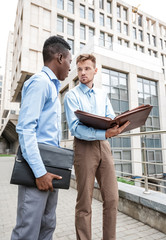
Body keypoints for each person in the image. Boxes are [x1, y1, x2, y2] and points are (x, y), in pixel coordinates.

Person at [11, 36, 72, 240]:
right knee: (27, 230)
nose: (70, 68)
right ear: (60, 57)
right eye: (70, 62)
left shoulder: (53, 88)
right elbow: (26, 130)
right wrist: (40, 173)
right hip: (37, 170)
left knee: (47, 225)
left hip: (50, 169)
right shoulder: (40, 83)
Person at [64, 54, 130, 240]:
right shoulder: (72, 96)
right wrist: (104, 132)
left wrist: (118, 126)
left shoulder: (102, 94)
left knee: (112, 198)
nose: (83, 73)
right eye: (80, 69)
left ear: (95, 70)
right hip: (84, 148)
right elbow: (76, 128)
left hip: (104, 146)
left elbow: (111, 117)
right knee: (84, 202)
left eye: (86, 68)